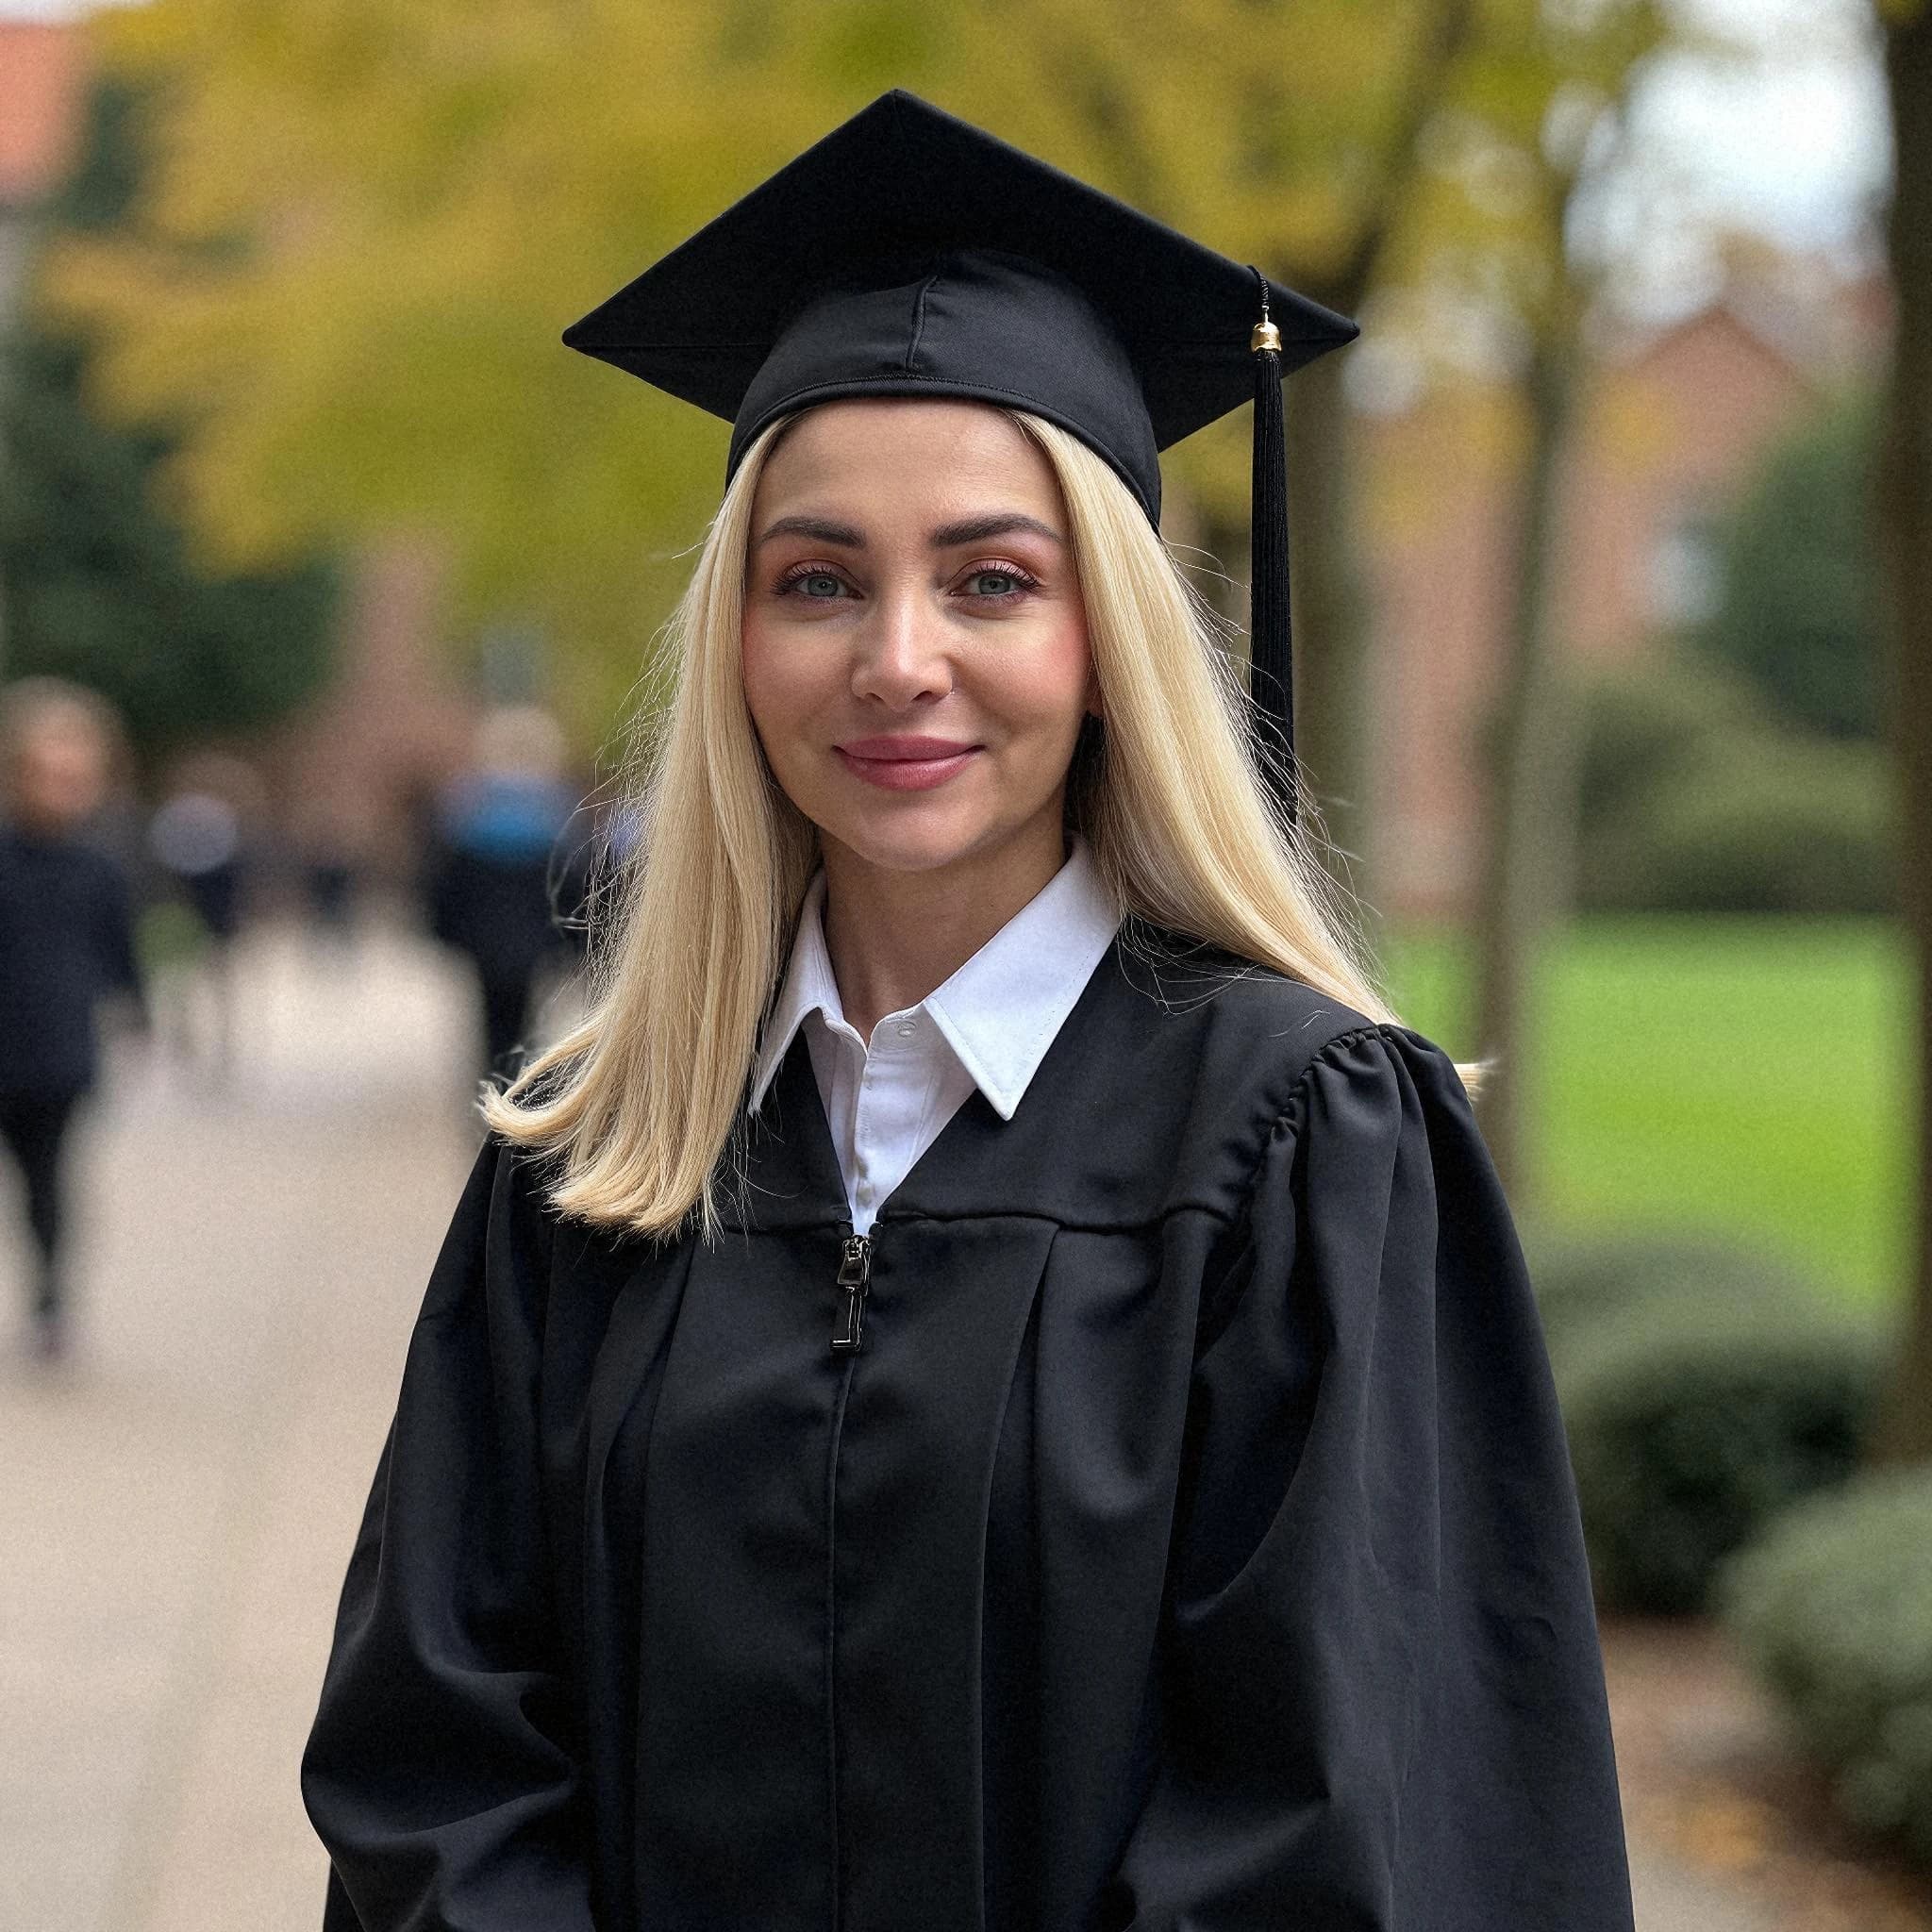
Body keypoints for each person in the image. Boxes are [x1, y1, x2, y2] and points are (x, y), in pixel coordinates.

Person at [303, 92, 1635, 1931]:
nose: (896, 660)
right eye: (818, 580)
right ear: (736, 645)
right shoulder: (597, 1160)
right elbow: (437, 1763)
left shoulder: (1297, 1143)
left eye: (990, 579)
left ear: (1106, 646)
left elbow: (1348, 1825)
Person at [0, 677, 146, 1359]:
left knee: (47, 1180)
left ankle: (51, 1296)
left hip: (57, 1052)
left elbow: (121, 954)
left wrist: (138, 1015)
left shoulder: (100, 867)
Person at [422, 704, 587, 1081]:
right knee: (527, 1023)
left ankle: (492, 1085)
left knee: (489, 1021)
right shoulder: (554, 816)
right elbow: (571, 889)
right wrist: (571, 945)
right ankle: (516, 1086)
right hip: (533, 944)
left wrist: (447, 935)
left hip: (483, 944)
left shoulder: (468, 813)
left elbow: (447, 888)